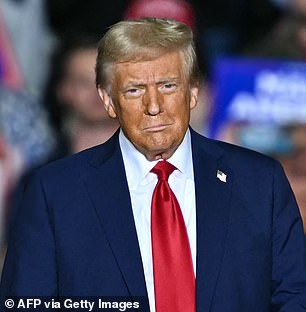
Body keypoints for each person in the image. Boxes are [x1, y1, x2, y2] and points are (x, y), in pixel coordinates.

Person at [0, 18, 306, 312]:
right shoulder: (54, 193)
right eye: (134, 90)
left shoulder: (259, 183)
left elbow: (294, 296)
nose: (154, 106)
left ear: (193, 91)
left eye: (168, 86)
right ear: (108, 100)